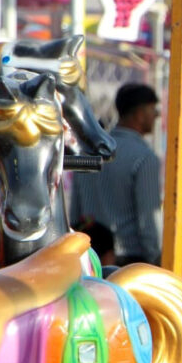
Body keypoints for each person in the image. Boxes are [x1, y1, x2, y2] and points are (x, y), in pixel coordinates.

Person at [70, 83, 163, 265]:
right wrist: (155, 261)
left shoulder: (90, 154)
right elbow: (149, 221)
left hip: (90, 259)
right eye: (153, 110)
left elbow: (74, 214)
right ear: (139, 114)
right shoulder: (144, 158)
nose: (156, 115)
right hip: (130, 261)